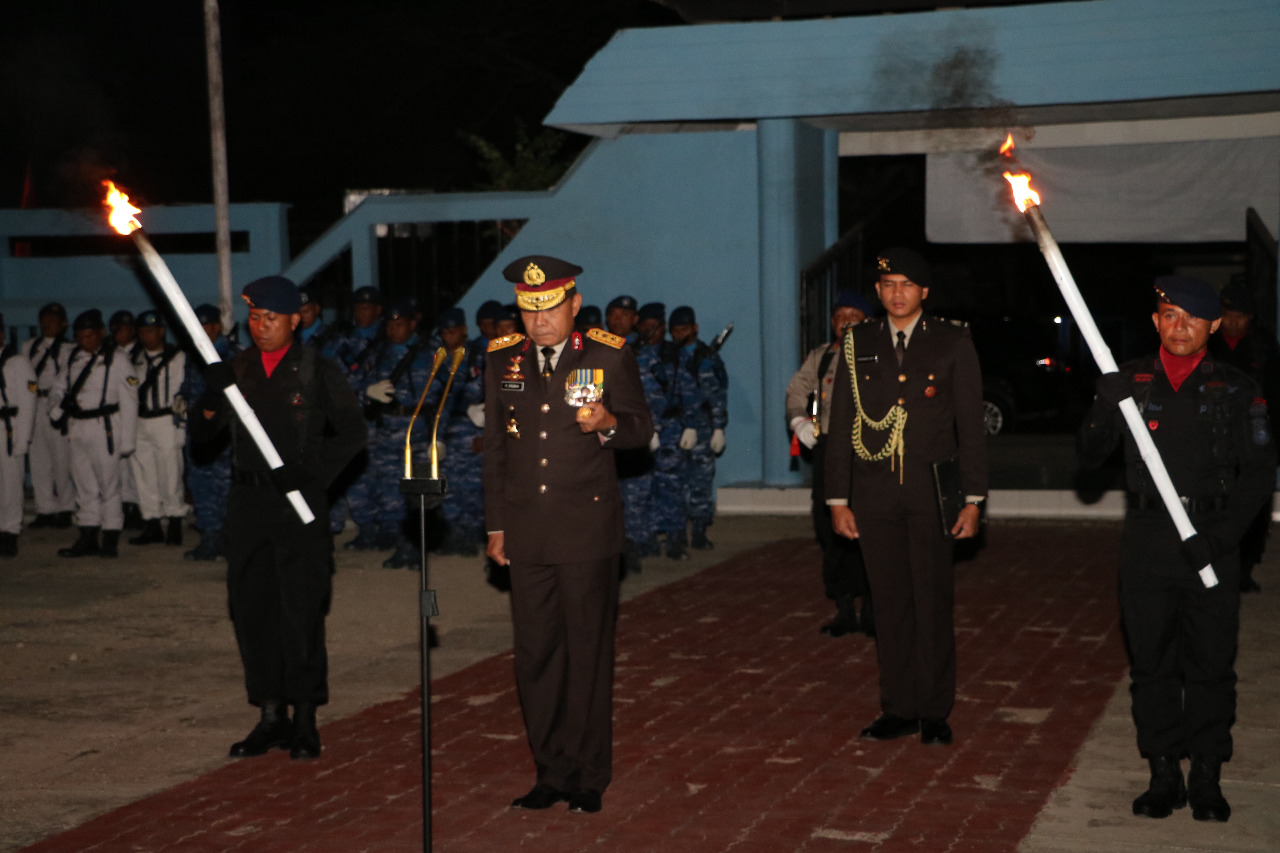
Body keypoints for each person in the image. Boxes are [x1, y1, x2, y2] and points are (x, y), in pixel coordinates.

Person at [1078, 275, 1274, 824]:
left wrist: (1219, 540)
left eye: (1191, 317)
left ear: (1214, 324)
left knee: (1211, 663)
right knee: (1152, 663)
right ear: (1155, 320)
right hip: (1147, 540)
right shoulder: (1131, 380)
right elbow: (1089, 456)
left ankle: (1207, 774)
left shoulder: (1237, 388)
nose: (1178, 326)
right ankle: (1163, 772)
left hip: (1212, 538)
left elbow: (1258, 475)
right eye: (1168, 314)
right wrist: (1102, 405)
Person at [484, 254, 653, 814]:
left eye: (551, 308)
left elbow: (640, 432)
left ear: (574, 305)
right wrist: (497, 525)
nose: (540, 322)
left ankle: (587, 775)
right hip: (527, 532)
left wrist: (608, 424)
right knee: (535, 655)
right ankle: (549, 771)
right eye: (529, 311)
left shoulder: (607, 353)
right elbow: (497, 454)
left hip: (585, 531)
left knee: (586, 654)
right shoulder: (503, 360)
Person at [191, 275, 366, 761]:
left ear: (296, 319)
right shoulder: (238, 368)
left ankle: (305, 718)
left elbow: (352, 433)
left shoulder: (316, 369)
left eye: (271, 318)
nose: (261, 326)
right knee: (253, 609)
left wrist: (312, 478)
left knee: (301, 610)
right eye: (254, 317)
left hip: (299, 509)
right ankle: (270, 714)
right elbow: (202, 441)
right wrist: (210, 396)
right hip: (248, 506)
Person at [824, 247, 987, 747]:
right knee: (888, 604)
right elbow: (843, 423)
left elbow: (970, 427)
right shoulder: (857, 343)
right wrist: (837, 499)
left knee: (932, 602)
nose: (897, 293)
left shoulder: (953, 341)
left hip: (931, 492)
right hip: (873, 496)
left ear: (924, 292)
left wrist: (973, 499)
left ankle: (935, 710)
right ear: (878, 291)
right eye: (889, 284)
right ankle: (898, 707)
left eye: (907, 285)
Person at [785, 289, 876, 638]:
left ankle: (871, 608)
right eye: (839, 316)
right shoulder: (822, 356)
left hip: (868, 452)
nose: (845, 322)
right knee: (829, 529)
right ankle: (843, 608)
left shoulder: (881, 356)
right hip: (830, 451)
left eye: (853, 315)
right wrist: (798, 421)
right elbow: (797, 390)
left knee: (868, 529)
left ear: (868, 321)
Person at [353, 299, 438, 567]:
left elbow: (447, 397)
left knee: (418, 493)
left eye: (399, 324)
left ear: (411, 324)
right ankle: (401, 545)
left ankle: (416, 547)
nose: (393, 330)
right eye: (389, 325)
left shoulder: (432, 352)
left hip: (418, 432)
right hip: (385, 432)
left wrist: (441, 435)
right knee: (391, 492)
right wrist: (365, 394)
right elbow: (353, 386)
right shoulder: (376, 352)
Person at [49, 309, 139, 559]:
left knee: (109, 485)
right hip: (78, 427)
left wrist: (127, 441)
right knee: (83, 484)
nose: (84, 341)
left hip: (105, 426)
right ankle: (88, 535)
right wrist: (56, 408)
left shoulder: (117, 359)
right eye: (79, 337)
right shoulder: (72, 357)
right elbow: (57, 388)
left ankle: (110, 537)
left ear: (100, 333)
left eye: (89, 336)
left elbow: (130, 400)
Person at [1208, 283, 1280, 593]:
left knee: (1253, 507)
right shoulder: (1207, 344)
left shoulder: (1263, 347)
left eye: (1240, 316)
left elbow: (1276, 394)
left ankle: (1244, 569)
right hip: (1215, 437)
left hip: (1253, 437)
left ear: (1250, 317)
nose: (1234, 322)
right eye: (1228, 315)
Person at [178, 304, 243, 561]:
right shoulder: (194, 356)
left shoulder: (234, 355)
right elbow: (190, 387)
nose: (201, 331)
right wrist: (181, 399)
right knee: (201, 486)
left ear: (216, 326)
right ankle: (209, 539)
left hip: (224, 435)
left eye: (205, 325)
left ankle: (231, 541)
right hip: (199, 434)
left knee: (226, 489)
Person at [663, 306, 729, 550]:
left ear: (695, 328)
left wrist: (718, 428)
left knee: (700, 482)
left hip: (702, 427)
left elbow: (717, 396)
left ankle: (700, 531)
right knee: (674, 482)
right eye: (675, 331)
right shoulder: (669, 356)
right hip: (674, 426)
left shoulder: (706, 357)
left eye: (684, 329)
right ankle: (675, 534)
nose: (679, 335)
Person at [127, 310, 187, 547]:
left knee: (170, 472)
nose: (147, 336)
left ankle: (174, 521)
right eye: (142, 331)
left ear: (161, 331)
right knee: (144, 474)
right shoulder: (134, 358)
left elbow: (183, 392)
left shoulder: (177, 357)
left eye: (151, 330)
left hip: (166, 419)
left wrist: (181, 425)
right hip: (141, 420)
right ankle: (151, 522)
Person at [432, 307, 487, 558]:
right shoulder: (439, 357)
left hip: (471, 426)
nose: (448, 336)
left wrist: (485, 431)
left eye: (453, 331)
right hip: (447, 427)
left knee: (473, 484)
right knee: (449, 483)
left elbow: (481, 393)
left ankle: (471, 533)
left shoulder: (477, 355)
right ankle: (454, 532)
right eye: (444, 332)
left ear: (464, 330)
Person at [26, 302, 75, 530]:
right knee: (39, 460)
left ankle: (66, 508)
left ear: (63, 324)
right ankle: (45, 508)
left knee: (62, 460)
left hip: (56, 406)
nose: (48, 324)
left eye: (54, 320)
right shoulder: (30, 347)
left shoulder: (69, 349)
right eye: (45, 320)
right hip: (34, 404)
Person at [0, 314, 38, 557]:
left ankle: (10, 531)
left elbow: (28, 402)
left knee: (10, 483)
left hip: (7, 427)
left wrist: (23, 439)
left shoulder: (17, 362)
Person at [110, 308, 145, 530]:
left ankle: (137, 508)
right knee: (119, 467)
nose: (117, 334)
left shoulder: (141, 353)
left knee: (137, 467)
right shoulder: (109, 353)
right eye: (114, 330)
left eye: (121, 329)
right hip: (115, 415)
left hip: (139, 415)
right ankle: (124, 506)